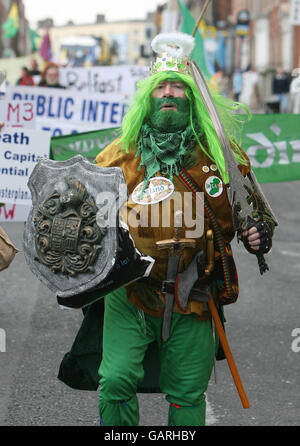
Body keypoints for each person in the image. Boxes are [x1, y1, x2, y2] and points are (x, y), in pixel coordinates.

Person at [57, 32, 276, 426]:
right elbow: (81, 213)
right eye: (162, 88)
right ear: (148, 98)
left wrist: (257, 233)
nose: (170, 93)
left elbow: (252, 214)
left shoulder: (221, 156)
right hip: (129, 293)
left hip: (195, 291)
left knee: (188, 389)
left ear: (192, 98)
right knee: (117, 379)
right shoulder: (119, 155)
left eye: (178, 86)